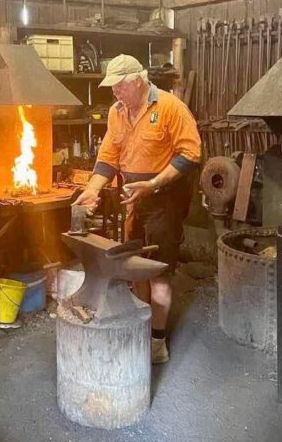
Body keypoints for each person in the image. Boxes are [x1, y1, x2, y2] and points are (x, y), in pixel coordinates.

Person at [74, 54, 201, 364]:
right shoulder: (117, 113)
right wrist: (92, 189)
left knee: (157, 272)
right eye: (112, 88)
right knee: (134, 267)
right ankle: (143, 328)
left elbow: (191, 153)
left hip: (165, 199)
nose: (115, 93)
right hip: (134, 198)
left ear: (138, 80)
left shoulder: (170, 107)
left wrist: (154, 184)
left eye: (119, 87)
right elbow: (108, 157)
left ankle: (157, 344)